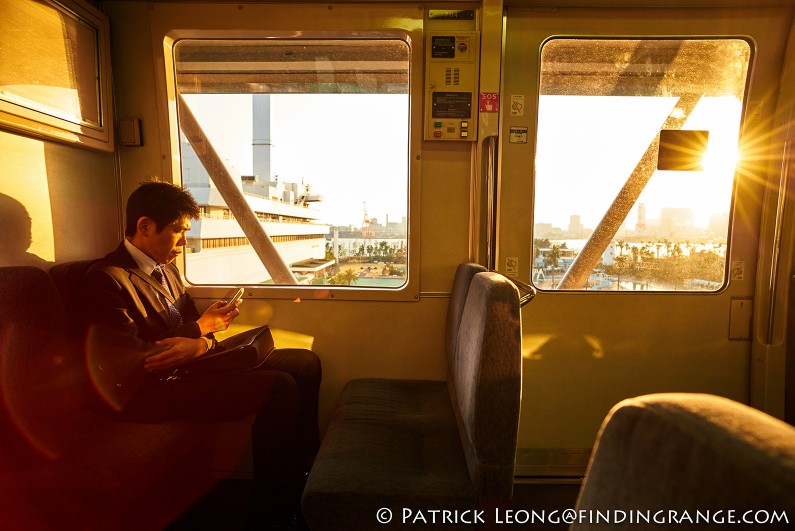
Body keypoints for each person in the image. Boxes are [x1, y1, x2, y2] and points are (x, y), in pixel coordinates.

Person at [80, 181, 320, 528]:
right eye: (178, 231)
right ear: (145, 226)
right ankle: (271, 507)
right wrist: (199, 333)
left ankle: (305, 467)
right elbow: (130, 359)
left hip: (190, 365)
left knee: (305, 363)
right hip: (146, 390)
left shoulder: (169, 270)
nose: (184, 242)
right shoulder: (106, 280)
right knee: (278, 387)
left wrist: (206, 336)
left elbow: (194, 325)